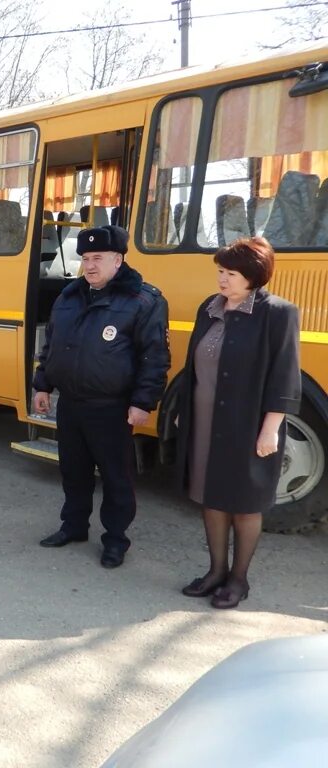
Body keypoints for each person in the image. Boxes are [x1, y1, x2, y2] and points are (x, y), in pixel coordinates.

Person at [33, 225, 170, 569]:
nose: (90, 265)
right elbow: (52, 345)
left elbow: (154, 357)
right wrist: (42, 385)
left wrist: (142, 403)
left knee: (115, 477)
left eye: (98, 258)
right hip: (71, 404)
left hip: (112, 408)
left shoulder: (144, 300)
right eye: (85, 258)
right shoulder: (69, 296)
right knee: (74, 471)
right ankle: (74, 526)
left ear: (118, 260)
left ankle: (115, 540)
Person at [177, 237, 300, 609]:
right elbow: (195, 365)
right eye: (220, 271)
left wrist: (270, 428)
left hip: (247, 422)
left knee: (245, 502)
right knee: (210, 496)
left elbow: (284, 376)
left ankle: (238, 580)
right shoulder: (209, 308)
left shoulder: (278, 313)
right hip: (204, 420)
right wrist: (184, 407)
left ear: (253, 277)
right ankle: (215, 571)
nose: (222, 279)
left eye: (230, 273)